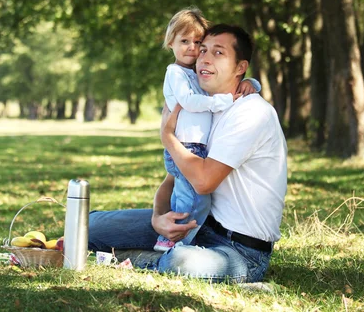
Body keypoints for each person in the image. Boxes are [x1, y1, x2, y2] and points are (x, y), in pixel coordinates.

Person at [88, 23, 287, 283]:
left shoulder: (251, 113)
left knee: (179, 262)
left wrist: (169, 138)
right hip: (197, 225)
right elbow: (174, 179)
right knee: (88, 226)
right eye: (202, 50)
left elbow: (203, 182)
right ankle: (124, 253)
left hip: (240, 250)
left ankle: (126, 258)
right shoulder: (203, 109)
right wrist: (158, 219)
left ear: (240, 67)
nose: (204, 57)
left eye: (218, 53)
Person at [154, 7, 260, 252]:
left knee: (190, 196)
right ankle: (173, 242)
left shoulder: (196, 76)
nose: (194, 49)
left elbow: (218, 84)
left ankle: (174, 246)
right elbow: (190, 102)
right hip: (186, 146)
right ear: (170, 43)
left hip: (192, 146)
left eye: (198, 43)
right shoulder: (176, 73)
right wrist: (223, 101)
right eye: (185, 42)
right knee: (192, 199)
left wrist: (249, 83)